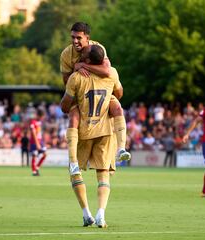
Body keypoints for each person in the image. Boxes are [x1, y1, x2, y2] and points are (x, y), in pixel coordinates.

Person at [60, 22, 130, 176]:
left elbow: (106, 70)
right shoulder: (66, 54)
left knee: (117, 108)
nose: (75, 41)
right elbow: (66, 82)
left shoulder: (98, 48)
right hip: (80, 94)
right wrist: (76, 70)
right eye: (72, 37)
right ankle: (73, 163)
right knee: (73, 117)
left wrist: (81, 66)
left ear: (87, 38)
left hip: (102, 91)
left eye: (79, 38)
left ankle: (121, 149)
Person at [61, 45, 118, 228]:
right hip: (104, 130)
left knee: (75, 171)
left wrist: (72, 104)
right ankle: (101, 214)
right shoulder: (111, 74)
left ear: (86, 61)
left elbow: (64, 106)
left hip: (83, 131)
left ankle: (86, 214)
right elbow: (120, 93)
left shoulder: (76, 77)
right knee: (103, 175)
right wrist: (110, 99)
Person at [29, 108, 47, 176]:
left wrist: (42, 142)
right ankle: (34, 172)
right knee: (34, 155)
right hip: (34, 142)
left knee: (45, 154)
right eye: (42, 116)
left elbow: (39, 132)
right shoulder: (33, 122)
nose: (43, 118)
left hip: (40, 141)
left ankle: (37, 167)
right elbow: (33, 133)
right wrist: (37, 144)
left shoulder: (39, 122)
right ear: (39, 116)